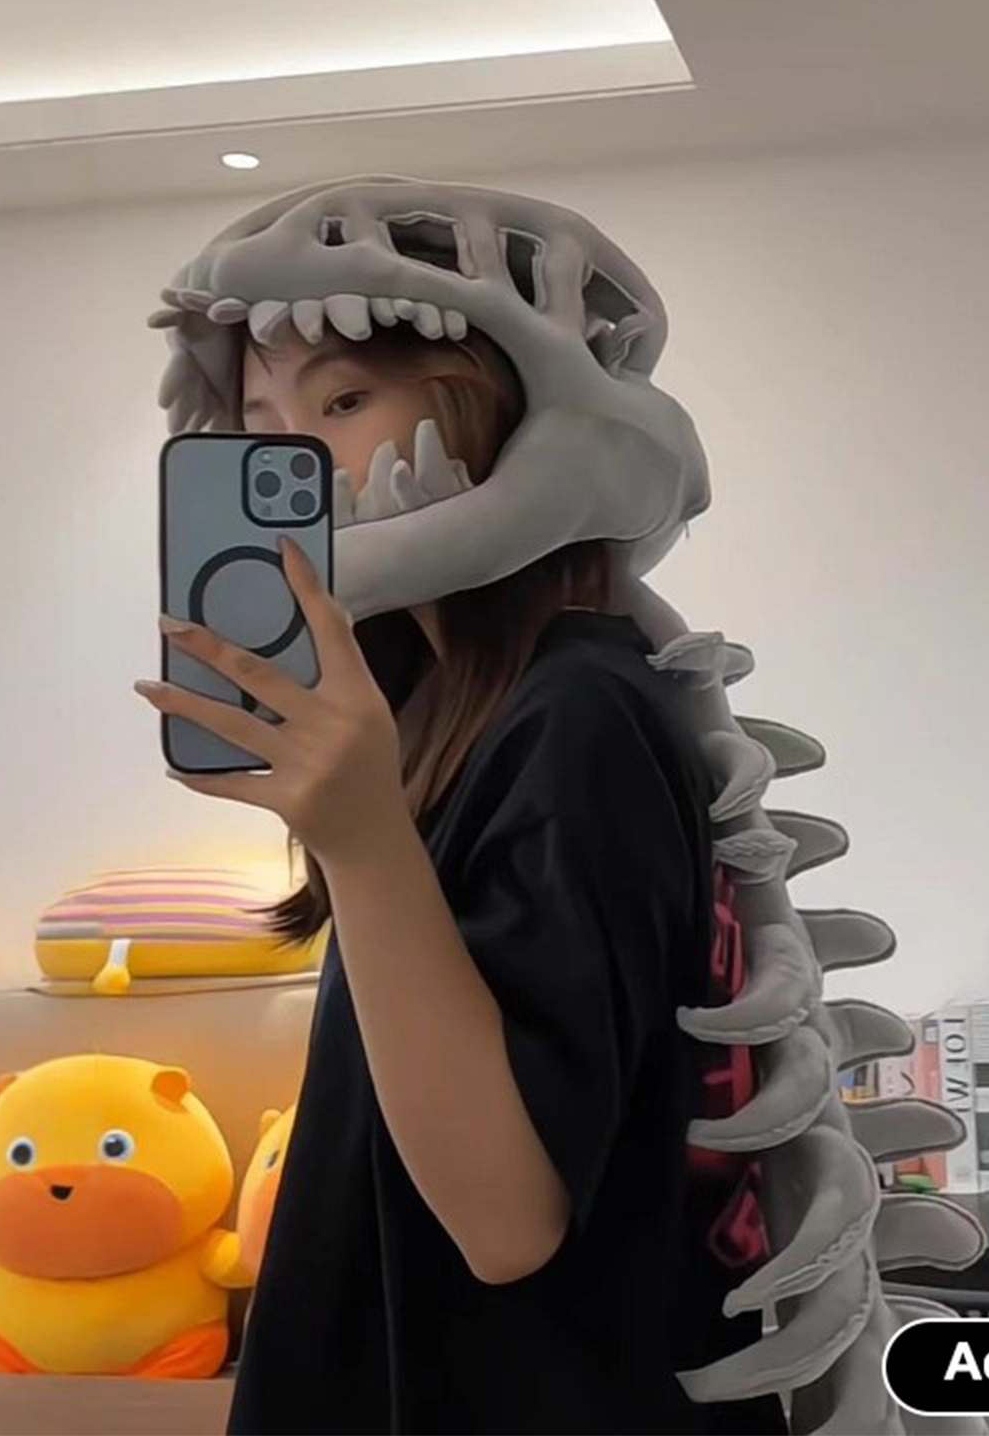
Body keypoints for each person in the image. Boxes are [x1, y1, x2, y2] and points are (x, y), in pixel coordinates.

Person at [134, 316, 786, 1434]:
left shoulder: (577, 713)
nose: (304, 465)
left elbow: (507, 1222)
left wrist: (363, 840)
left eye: (345, 404)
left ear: (494, 409)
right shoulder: (434, 704)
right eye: (260, 425)